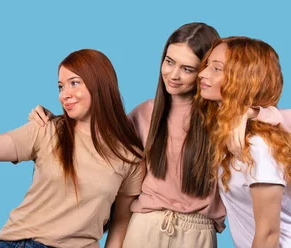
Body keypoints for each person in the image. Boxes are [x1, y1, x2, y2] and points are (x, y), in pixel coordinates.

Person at [27, 23, 289, 247]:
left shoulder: (223, 121)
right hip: (143, 227)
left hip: (198, 233)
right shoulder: (145, 114)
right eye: (169, 61)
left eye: (188, 68)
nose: (173, 75)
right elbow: (100, 145)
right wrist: (58, 123)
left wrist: (258, 114)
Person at [0, 49, 144, 248]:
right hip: (25, 243)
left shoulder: (129, 156)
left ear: (100, 84)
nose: (64, 94)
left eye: (74, 83)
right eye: (60, 86)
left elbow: (121, 222)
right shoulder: (48, 130)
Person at [198, 36, 291, 248]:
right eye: (207, 66)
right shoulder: (232, 137)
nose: (202, 73)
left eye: (217, 69)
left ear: (243, 79)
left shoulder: (258, 146)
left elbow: (268, 235)